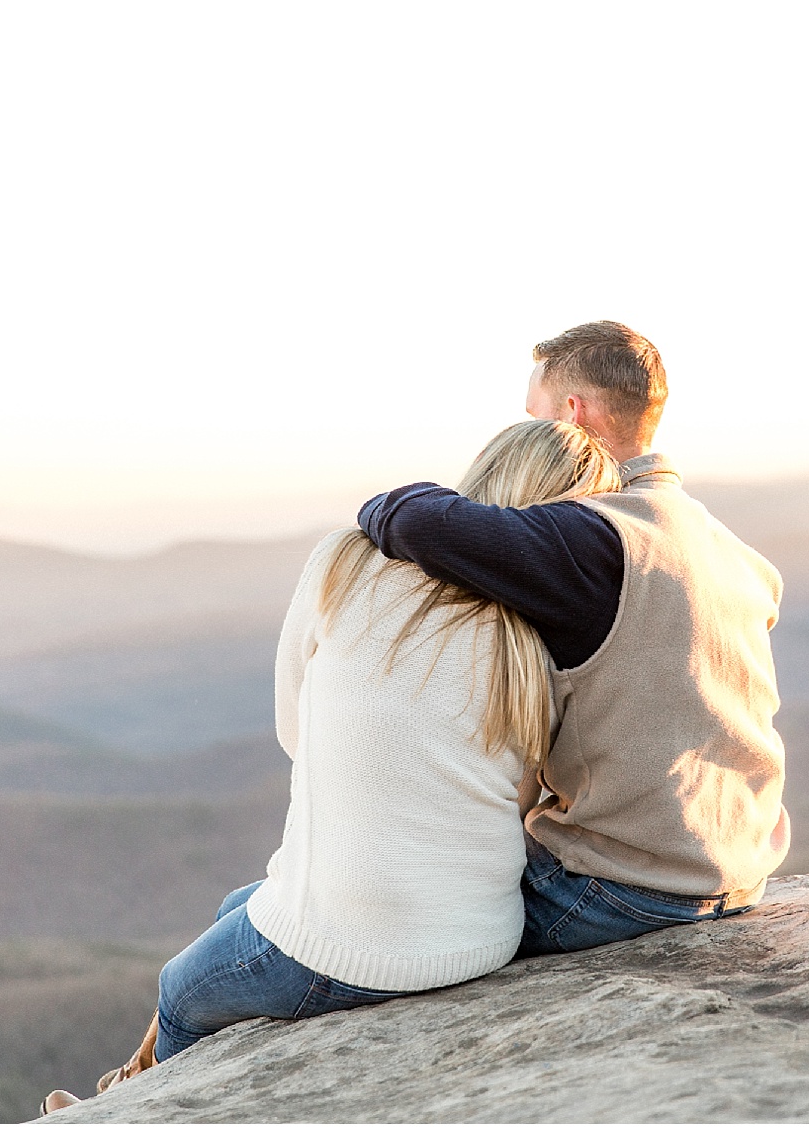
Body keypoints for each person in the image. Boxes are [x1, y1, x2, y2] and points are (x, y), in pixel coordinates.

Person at [41, 419, 621, 1115]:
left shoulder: (347, 560)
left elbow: (296, 729)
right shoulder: (532, 635)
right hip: (481, 939)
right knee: (238, 903)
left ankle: (122, 1108)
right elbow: (522, 795)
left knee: (180, 990)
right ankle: (116, 1089)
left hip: (354, 952)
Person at [357, 321, 789, 957]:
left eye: (531, 414)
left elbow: (411, 518)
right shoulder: (730, 550)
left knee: (333, 924)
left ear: (571, 415)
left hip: (617, 890)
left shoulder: (590, 539)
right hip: (738, 868)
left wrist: (388, 501)